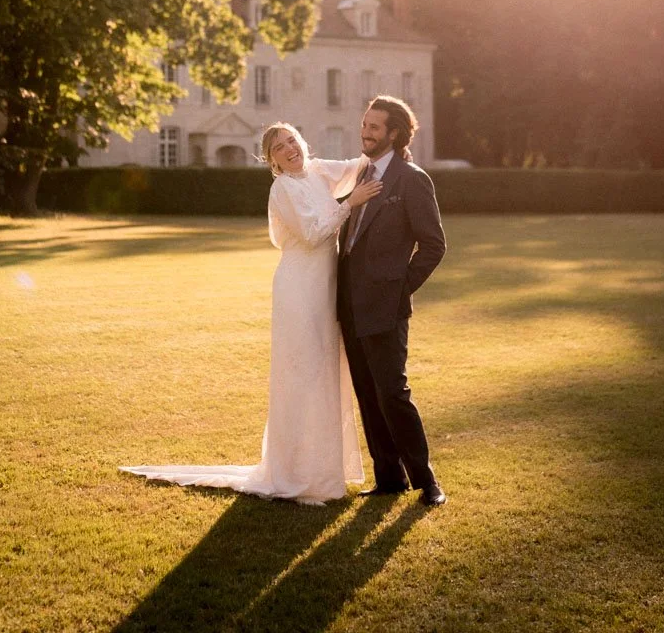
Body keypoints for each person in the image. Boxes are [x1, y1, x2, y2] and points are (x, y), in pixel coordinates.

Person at [120, 123, 382, 505]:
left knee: (323, 372)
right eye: (279, 147)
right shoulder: (283, 188)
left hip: (326, 289)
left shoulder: (320, 170)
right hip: (298, 289)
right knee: (301, 373)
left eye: (293, 139)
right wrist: (350, 203)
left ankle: (323, 470)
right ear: (271, 159)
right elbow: (312, 233)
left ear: (302, 141)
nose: (290, 148)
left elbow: (359, 164)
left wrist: (383, 142)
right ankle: (296, 472)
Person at [337, 95, 447, 506]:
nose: (365, 132)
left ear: (394, 133)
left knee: (392, 394)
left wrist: (400, 288)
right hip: (348, 303)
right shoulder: (356, 173)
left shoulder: (412, 179)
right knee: (367, 392)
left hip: (386, 305)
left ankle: (427, 481)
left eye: (374, 127)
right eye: (364, 124)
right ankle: (388, 478)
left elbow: (434, 245)